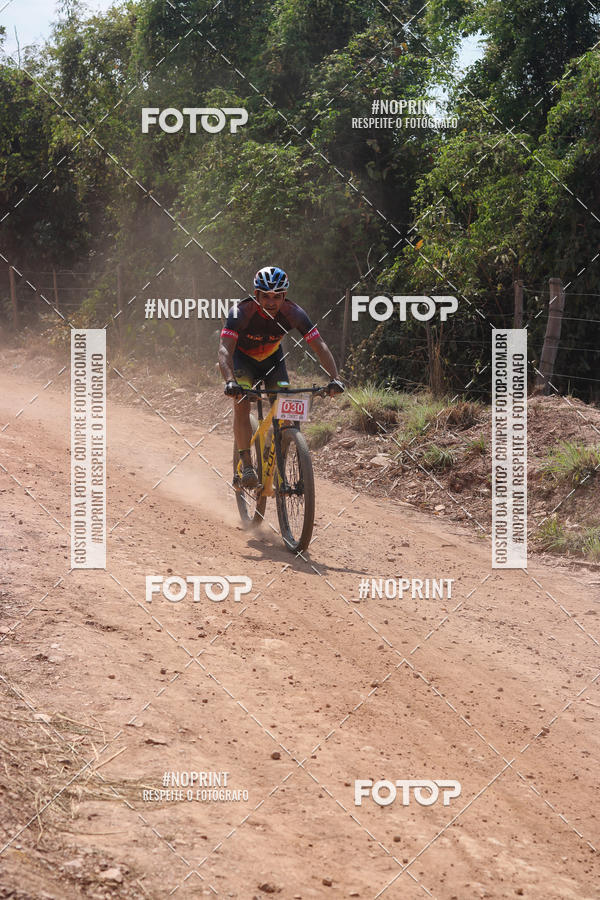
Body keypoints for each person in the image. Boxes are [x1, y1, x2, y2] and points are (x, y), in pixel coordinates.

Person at [218, 265, 344, 487]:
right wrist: (230, 381)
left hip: (273, 361)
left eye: (277, 296)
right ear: (256, 294)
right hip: (243, 361)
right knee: (242, 402)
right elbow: (225, 349)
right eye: (265, 296)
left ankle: (281, 456)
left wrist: (335, 378)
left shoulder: (294, 313)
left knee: (287, 409)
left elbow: (320, 345)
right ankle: (247, 466)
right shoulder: (240, 312)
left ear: (284, 296)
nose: (271, 302)